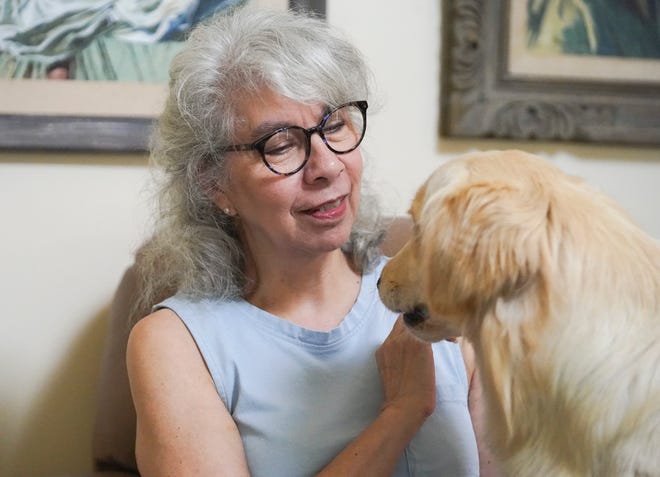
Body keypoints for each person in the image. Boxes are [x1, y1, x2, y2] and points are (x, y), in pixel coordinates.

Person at [126, 6, 498, 476]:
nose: (327, 166)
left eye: (335, 125)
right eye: (280, 145)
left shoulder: (435, 285)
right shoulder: (176, 344)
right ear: (214, 184)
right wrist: (400, 414)